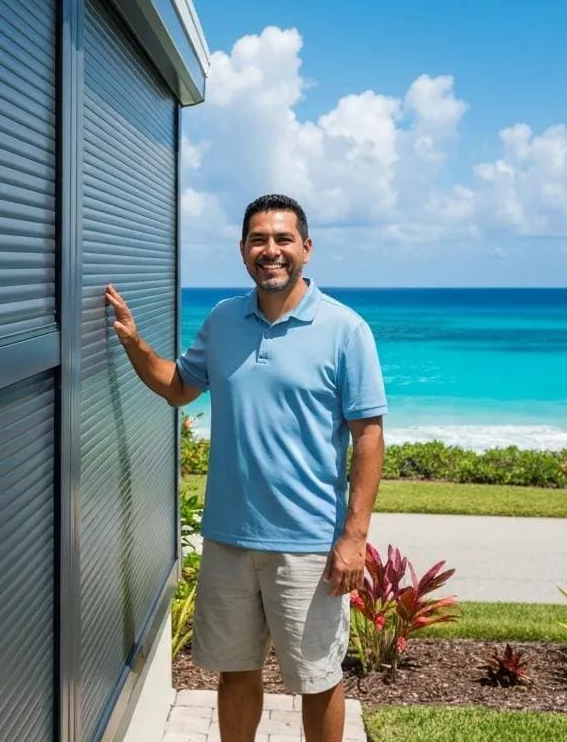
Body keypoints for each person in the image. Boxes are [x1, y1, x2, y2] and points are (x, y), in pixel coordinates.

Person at [104, 193, 386, 742]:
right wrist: (134, 342)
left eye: (283, 239)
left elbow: (368, 436)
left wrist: (354, 536)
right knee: (234, 672)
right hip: (229, 537)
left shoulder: (345, 329)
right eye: (259, 240)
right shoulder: (224, 318)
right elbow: (180, 388)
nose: (271, 250)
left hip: (307, 543)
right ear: (242, 250)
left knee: (317, 679)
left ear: (306, 248)